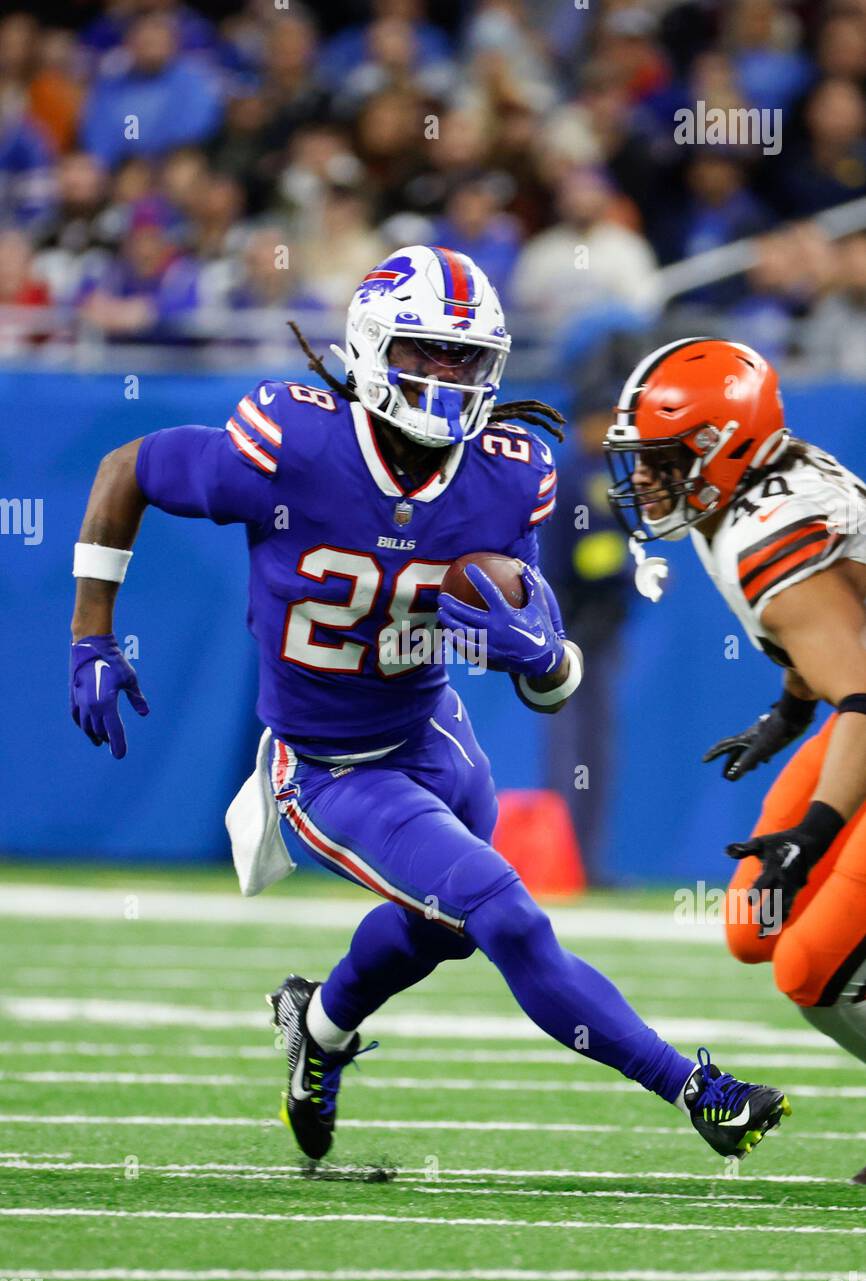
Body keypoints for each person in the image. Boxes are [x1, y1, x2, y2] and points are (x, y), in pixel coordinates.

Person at [69, 247, 790, 1164]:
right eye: (426, 352)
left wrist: (546, 656)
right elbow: (128, 468)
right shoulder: (294, 445)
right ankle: (697, 1089)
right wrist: (91, 634)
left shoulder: (507, 474)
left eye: (466, 358)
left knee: (440, 932)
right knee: (505, 912)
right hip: (331, 766)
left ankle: (316, 1029)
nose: (447, 377)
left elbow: (547, 672)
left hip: (435, 734)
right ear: (374, 347)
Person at [605, 335, 866, 1086]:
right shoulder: (745, 491)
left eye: (665, 458)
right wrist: (788, 712)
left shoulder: (768, 545)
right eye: (644, 457)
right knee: (760, 926)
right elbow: (838, 641)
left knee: (814, 973)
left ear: (724, 447)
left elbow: (859, 693)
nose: (646, 478)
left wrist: (811, 839)